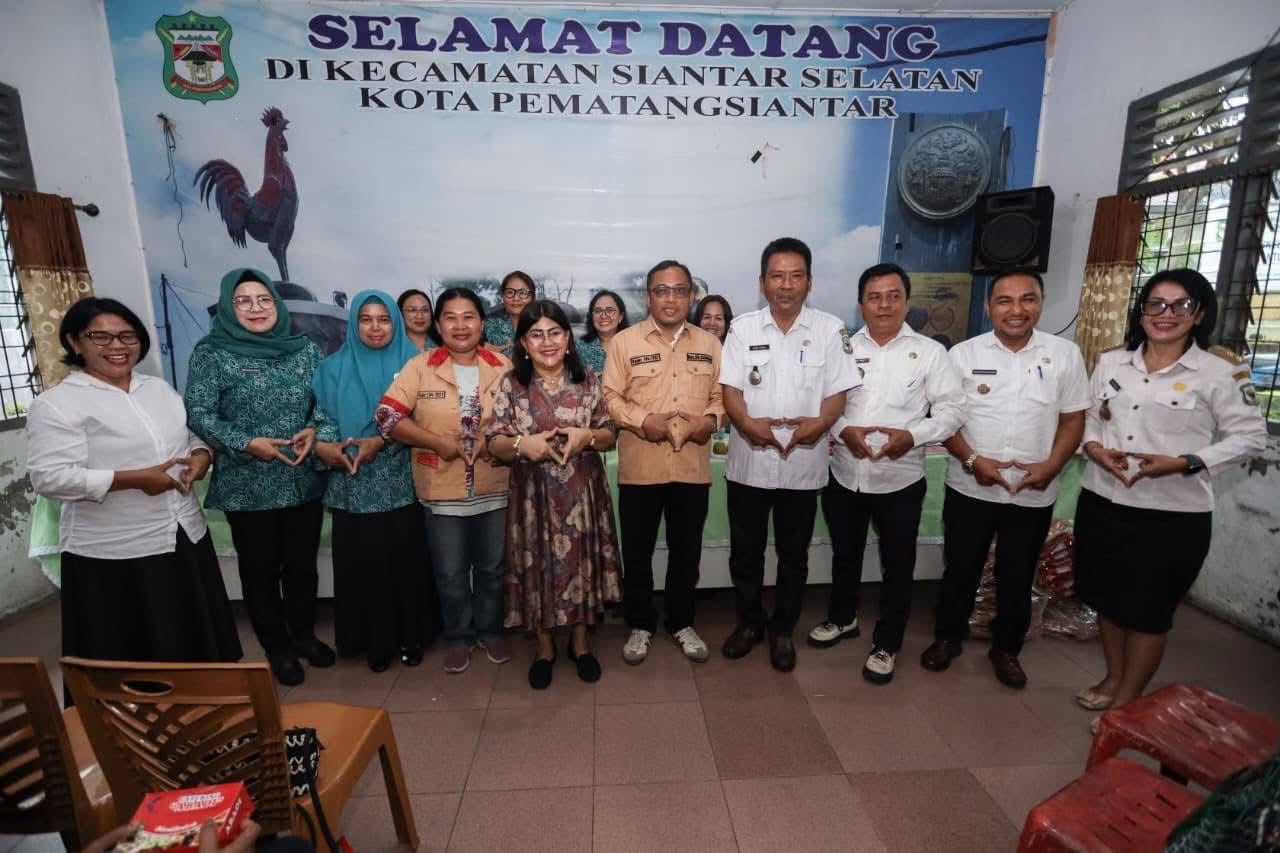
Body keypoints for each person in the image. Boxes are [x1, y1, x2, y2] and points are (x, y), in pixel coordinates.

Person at [1074, 268, 1265, 713]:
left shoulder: (1220, 371)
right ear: (1142, 311)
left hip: (1172, 515)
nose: (1166, 313)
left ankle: (1126, 703)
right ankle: (1113, 678)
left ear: (1199, 314)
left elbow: (1251, 437)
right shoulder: (1112, 362)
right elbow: (1090, 418)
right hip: (1103, 501)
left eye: (1181, 305)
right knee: (1105, 600)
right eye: (1156, 303)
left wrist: (1186, 462)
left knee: (1148, 613)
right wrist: (1096, 449)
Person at [26, 298, 242, 692]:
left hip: (183, 535)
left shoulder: (157, 389)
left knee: (193, 642)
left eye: (127, 336)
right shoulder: (57, 404)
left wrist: (200, 456)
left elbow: (189, 435)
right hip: (116, 552)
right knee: (138, 655)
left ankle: (203, 712)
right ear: (74, 342)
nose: (117, 346)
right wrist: (132, 479)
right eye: (100, 337)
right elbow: (50, 478)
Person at [920, 269, 1089, 688]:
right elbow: (945, 420)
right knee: (961, 568)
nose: (1016, 310)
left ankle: (1007, 649)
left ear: (1041, 303)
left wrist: (1051, 467)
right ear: (988, 306)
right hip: (971, 486)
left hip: (1033, 490)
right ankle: (947, 638)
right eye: (1005, 300)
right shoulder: (962, 355)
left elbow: (1073, 420)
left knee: (1018, 573)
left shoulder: (1065, 355)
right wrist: (973, 460)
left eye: (1027, 299)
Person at [807, 262, 965, 685]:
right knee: (845, 555)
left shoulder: (930, 353)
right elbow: (822, 402)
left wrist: (912, 436)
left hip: (901, 479)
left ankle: (887, 642)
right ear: (860, 304)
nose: (884, 305)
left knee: (898, 565)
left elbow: (952, 411)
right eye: (874, 297)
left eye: (893, 296)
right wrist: (844, 430)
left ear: (907, 302)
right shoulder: (841, 349)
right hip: (846, 474)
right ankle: (843, 618)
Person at [185, 268, 334, 687]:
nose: (256, 308)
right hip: (247, 485)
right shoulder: (212, 352)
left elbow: (324, 403)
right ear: (229, 307)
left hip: (301, 480)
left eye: (264, 299)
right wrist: (247, 442)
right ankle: (277, 648)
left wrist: (315, 431)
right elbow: (199, 412)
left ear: (277, 304)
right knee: (260, 571)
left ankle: (303, 636)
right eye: (244, 301)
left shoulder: (304, 348)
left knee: (302, 566)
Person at [720, 237, 858, 672]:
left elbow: (837, 395)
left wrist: (814, 428)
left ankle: (783, 630)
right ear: (762, 282)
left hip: (803, 464)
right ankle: (749, 623)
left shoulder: (830, 330)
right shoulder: (742, 328)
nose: (786, 285)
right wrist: (748, 426)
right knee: (746, 552)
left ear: (809, 282)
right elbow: (730, 391)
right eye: (777, 276)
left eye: (795, 276)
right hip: (749, 462)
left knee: (793, 555)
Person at [376, 287, 514, 674]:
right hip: (441, 488)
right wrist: (437, 442)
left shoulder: (502, 365)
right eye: (450, 317)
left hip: (495, 485)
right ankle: (459, 635)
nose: (460, 325)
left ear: (482, 323)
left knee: (492, 568)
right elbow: (386, 417)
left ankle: (490, 630)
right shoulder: (420, 366)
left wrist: (491, 439)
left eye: (468, 316)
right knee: (450, 572)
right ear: (438, 325)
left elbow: (521, 419)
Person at [488, 300, 622, 689]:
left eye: (555, 332)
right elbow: (494, 442)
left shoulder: (587, 379)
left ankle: (580, 644)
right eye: (536, 334)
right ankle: (544, 648)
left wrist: (588, 437)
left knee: (582, 563)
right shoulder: (511, 384)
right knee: (537, 567)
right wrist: (521, 445)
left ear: (567, 338)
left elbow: (609, 433)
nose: (547, 342)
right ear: (523, 343)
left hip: (582, 494)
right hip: (533, 498)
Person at [602, 261, 724, 666]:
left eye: (679, 290)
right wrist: (642, 422)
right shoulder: (624, 342)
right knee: (637, 553)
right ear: (648, 296)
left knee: (686, 553)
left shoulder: (709, 343)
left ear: (691, 296)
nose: (670, 299)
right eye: (661, 290)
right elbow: (610, 398)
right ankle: (640, 624)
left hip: (691, 468)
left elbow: (721, 397)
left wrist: (710, 422)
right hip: (641, 470)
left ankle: (681, 622)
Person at [312, 290, 438, 672]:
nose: (375, 327)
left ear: (395, 323)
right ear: (354, 324)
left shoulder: (416, 364)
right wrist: (330, 447)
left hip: (402, 480)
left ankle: (411, 636)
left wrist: (381, 441)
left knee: (406, 565)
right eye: (365, 319)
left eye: (383, 319)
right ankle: (373, 641)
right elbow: (320, 417)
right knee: (363, 567)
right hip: (351, 481)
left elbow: (427, 419)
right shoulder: (331, 368)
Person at [484, 271, 535, 356]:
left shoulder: (541, 322)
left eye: (523, 293)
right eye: (510, 292)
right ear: (502, 296)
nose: (516, 298)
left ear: (532, 297)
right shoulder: (488, 323)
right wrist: (482, 348)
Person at [578, 289, 628, 376]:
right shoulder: (580, 348)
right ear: (591, 317)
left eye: (610, 311)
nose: (604, 316)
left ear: (621, 316)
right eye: (597, 311)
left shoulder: (633, 345)